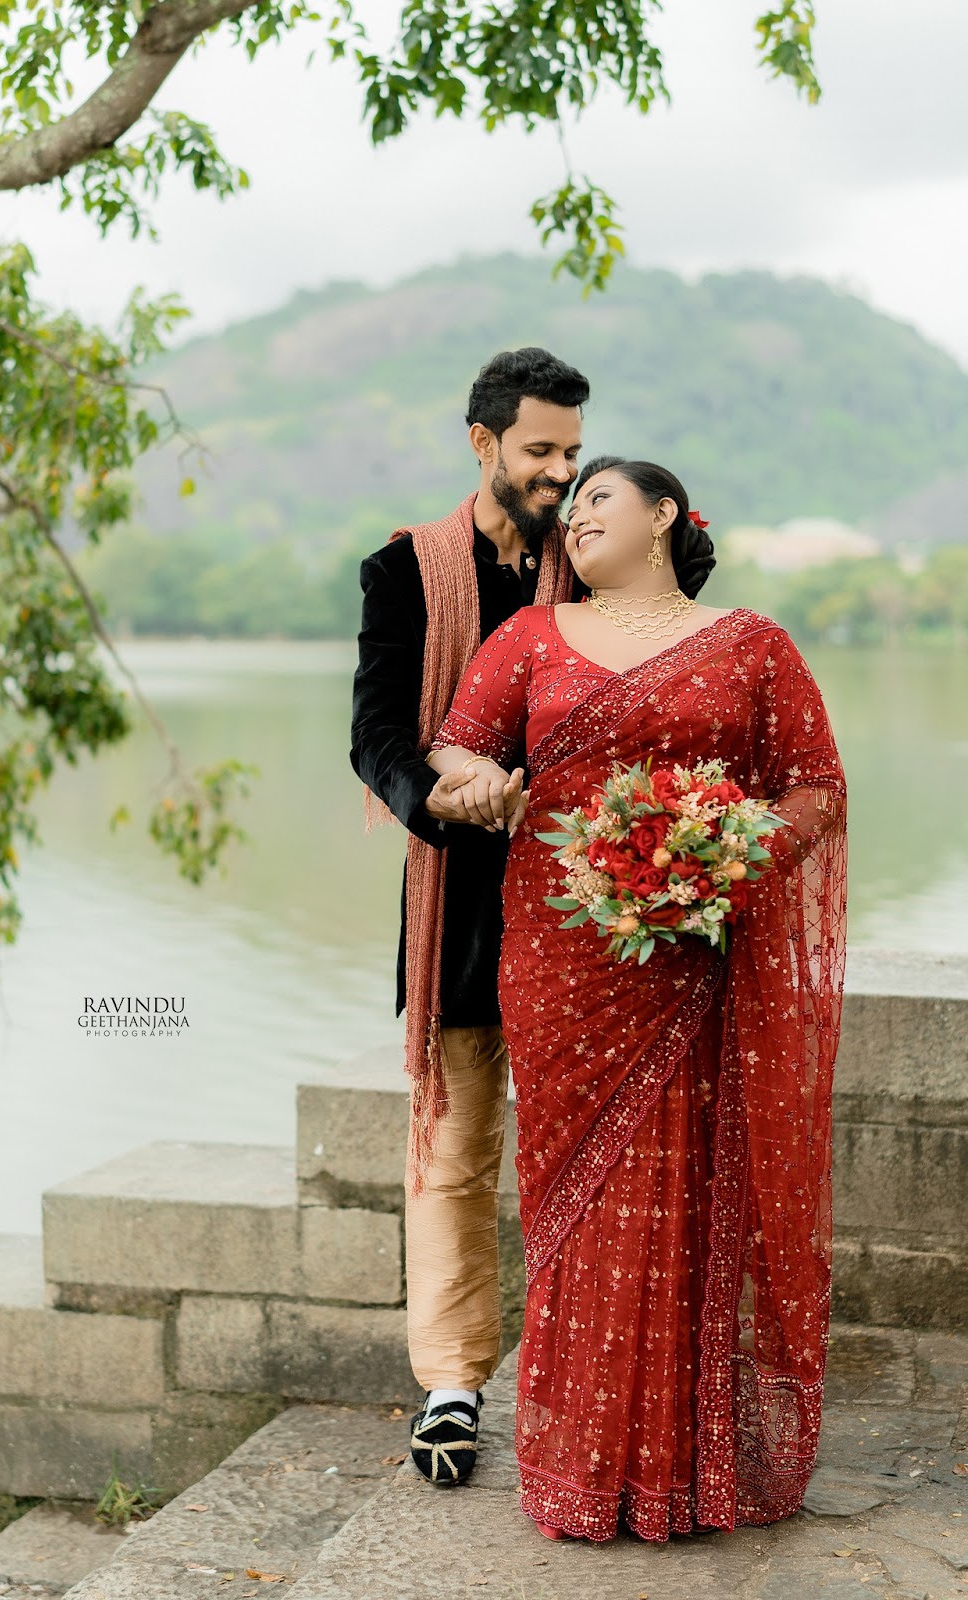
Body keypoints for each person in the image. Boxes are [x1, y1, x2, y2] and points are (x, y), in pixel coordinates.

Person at [426, 455, 848, 1540]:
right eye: (569, 510)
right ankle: (580, 1467)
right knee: (576, 1205)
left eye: (597, 499)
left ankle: (682, 1470)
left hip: (694, 960)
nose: (574, 519)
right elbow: (456, 750)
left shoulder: (752, 644)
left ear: (662, 515)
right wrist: (476, 784)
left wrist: (726, 856)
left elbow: (814, 784)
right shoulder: (529, 636)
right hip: (563, 961)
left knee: (687, 1193)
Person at [349, 347, 591, 1484]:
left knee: (586, 1144)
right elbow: (377, 736)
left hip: (585, 896)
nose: (560, 473)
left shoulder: (594, 557)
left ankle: (587, 1370)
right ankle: (452, 1384)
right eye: (540, 450)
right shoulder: (405, 570)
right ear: (483, 442)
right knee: (454, 1152)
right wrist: (445, 796)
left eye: (573, 452)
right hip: (459, 897)